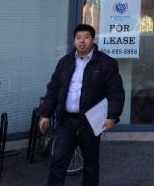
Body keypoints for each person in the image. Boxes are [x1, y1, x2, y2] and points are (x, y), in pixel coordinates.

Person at [39, 24, 125, 186]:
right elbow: (53, 89)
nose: (82, 41)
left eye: (86, 37)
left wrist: (112, 116)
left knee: (90, 164)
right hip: (66, 122)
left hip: (90, 122)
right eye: (78, 38)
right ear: (74, 41)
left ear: (93, 40)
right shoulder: (65, 62)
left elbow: (116, 92)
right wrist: (46, 114)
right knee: (58, 161)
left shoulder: (105, 63)